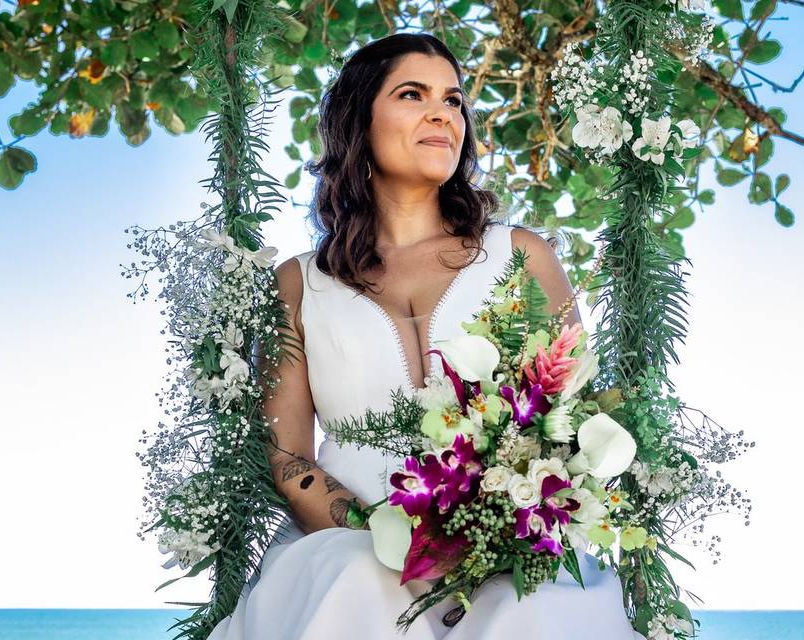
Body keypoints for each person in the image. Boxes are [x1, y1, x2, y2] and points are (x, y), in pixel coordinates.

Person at [204, 32, 645, 640]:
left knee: (535, 609)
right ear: (359, 121)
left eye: (455, 99)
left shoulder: (521, 256)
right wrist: (390, 542)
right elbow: (286, 458)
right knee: (352, 586)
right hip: (342, 540)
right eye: (413, 94)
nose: (444, 112)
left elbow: (575, 418)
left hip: (506, 540)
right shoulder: (299, 283)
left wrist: (495, 533)